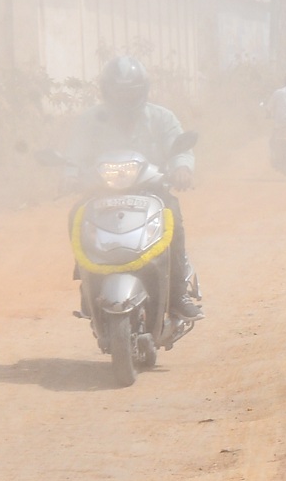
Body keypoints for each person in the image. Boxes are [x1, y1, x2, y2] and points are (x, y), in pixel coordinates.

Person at [68, 55, 202, 318]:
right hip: (101, 192)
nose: (124, 97)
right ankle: (87, 284)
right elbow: (73, 154)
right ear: (107, 91)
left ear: (142, 90)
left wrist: (182, 168)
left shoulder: (162, 117)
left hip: (151, 191)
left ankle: (177, 294)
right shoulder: (90, 120)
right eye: (118, 91)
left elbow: (179, 148)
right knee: (76, 215)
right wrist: (69, 174)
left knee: (172, 217)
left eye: (130, 91)